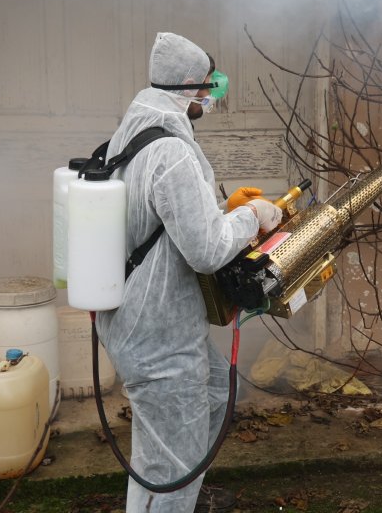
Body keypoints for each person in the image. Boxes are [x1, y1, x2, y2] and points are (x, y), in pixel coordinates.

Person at [95, 31, 282, 512]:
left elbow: (166, 220)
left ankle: (178, 491)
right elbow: (204, 250)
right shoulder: (171, 150)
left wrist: (222, 207)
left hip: (147, 321)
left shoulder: (137, 127)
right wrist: (252, 216)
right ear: (188, 87)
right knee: (169, 470)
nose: (212, 96)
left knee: (217, 395)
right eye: (209, 86)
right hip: (157, 334)